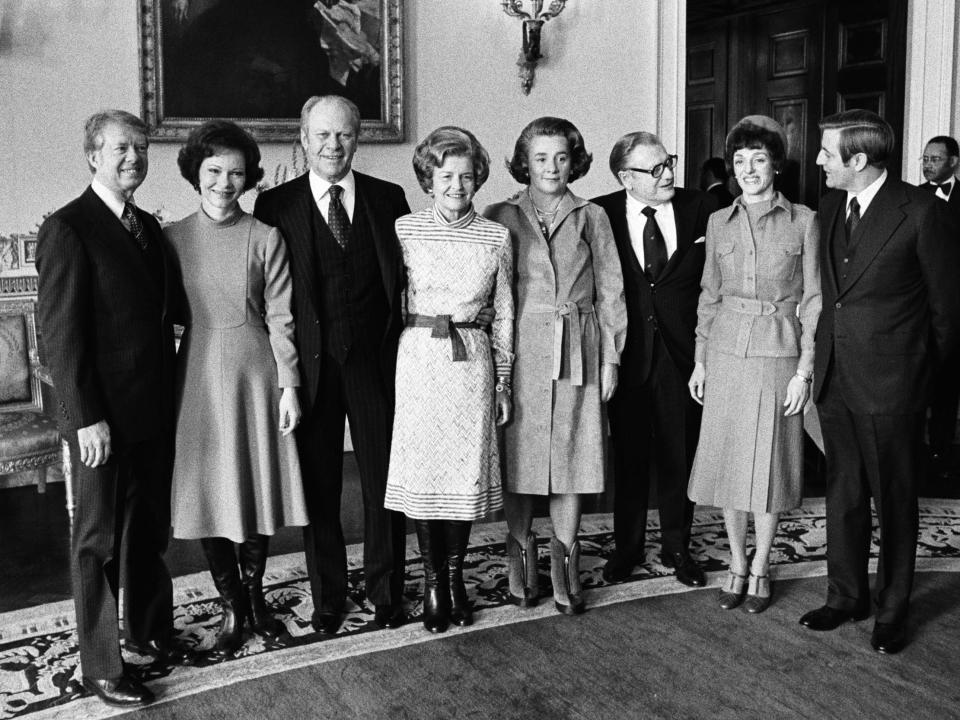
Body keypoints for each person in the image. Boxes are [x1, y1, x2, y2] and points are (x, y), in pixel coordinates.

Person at [35, 110, 184, 708]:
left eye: (142, 148)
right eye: (122, 147)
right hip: (101, 419)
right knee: (96, 542)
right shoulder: (69, 228)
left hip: (151, 411)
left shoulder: (148, 225)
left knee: (146, 532)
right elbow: (60, 336)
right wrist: (82, 417)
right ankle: (101, 664)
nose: (134, 158)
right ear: (92, 154)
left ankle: (147, 632)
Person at [799, 110, 960, 654]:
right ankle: (846, 596)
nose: (819, 161)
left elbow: (947, 313)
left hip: (894, 386)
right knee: (842, 493)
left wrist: (920, 381)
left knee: (894, 499)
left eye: (827, 152)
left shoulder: (920, 213)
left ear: (858, 160)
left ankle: (893, 609)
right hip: (836, 378)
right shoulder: (827, 206)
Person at [253, 95, 410, 634]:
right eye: (322, 135)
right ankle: (328, 599)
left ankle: (387, 592)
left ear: (357, 138)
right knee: (319, 488)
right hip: (311, 372)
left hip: (374, 365)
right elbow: (270, 299)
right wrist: (284, 379)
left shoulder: (390, 199)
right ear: (303, 138)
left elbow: (405, 283)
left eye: (342, 135)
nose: (332, 145)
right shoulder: (274, 206)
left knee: (384, 484)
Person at [166, 120, 309, 656]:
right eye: (214, 171)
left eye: (236, 173)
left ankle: (255, 599)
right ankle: (230, 608)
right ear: (195, 174)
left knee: (255, 485)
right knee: (209, 491)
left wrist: (290, 385)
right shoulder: (172, 238)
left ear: (250, 178)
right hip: (198, 374)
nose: (225, 182)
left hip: (257, 375)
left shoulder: (265, 237)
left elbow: (282, 319)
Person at [484, 117, 626, 615]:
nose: (551, 167)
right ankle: (520, 556)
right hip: (520, 353)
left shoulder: (592, 215)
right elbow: (489, 293)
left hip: (579, 351)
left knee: (572, 460)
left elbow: (611, 292)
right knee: (521, 462)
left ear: (575, 161)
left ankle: (565, 566)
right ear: (524, 162)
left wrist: (610, 359)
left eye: (561, 157)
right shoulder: (499, 213)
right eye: (541, 158)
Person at [687, 116, 822, 613]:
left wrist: (804, 369)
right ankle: (736, 563)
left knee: (766, 467)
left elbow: (814, 300)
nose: (747, 169)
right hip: (725, 353)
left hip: (778, 354)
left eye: (758, 159)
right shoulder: (717, 221)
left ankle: (762, 566)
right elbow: (708, 296)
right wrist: (700, 361)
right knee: (727, 463)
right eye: (739, 161)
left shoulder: (804, 220)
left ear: (777, 166)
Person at [384, 127, 513, 633]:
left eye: (466, 175)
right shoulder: (405, 229)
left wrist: (502, 380)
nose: (456, 185)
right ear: (428, 179)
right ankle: (434, 583)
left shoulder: (496, 236)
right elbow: (392, 300)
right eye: (445, 175)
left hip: (472, 363)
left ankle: (457, 578)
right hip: (418, 359)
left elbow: (503, 313)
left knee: (462, 473)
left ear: (478, 178)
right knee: (422, 473)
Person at [594, 133, 716, 588]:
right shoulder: (599, 213)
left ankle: (677, 547)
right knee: (627, 457)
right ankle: (626, 548)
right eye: (655, 168)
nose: (668, 174)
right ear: (626, 177)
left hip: (684, 355)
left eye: (669, 163)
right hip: (625, 355)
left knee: (678, 453)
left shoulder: (701, 207)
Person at [918, 135, 960, 475]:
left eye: (935, 159)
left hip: (954, 308)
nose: (928, 164)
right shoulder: (912, 197)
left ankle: (941, 453)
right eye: (925, 158)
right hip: (918, 309)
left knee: (947, 385)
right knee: (915, 381)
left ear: (953, 162)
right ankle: (911, 451)